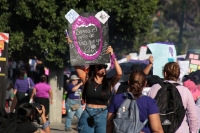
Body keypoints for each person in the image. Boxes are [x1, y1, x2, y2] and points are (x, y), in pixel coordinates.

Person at [74, 47, 122, 132]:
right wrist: (73, 46)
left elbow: (119, 73)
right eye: (100, 67)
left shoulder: (109, 83)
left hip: (103, 115)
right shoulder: (87, 80)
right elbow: (76, 65)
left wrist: (112, 55)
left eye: (104, 66)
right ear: (94, 69)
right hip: (88, 114)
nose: (103, 68)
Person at [148, 62, 198, 133]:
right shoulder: (185, 91)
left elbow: (148, 111)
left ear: (165, 73)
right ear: (178, 74)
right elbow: (192, 117)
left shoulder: (155, 88)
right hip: (181, 130)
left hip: (159, 130)